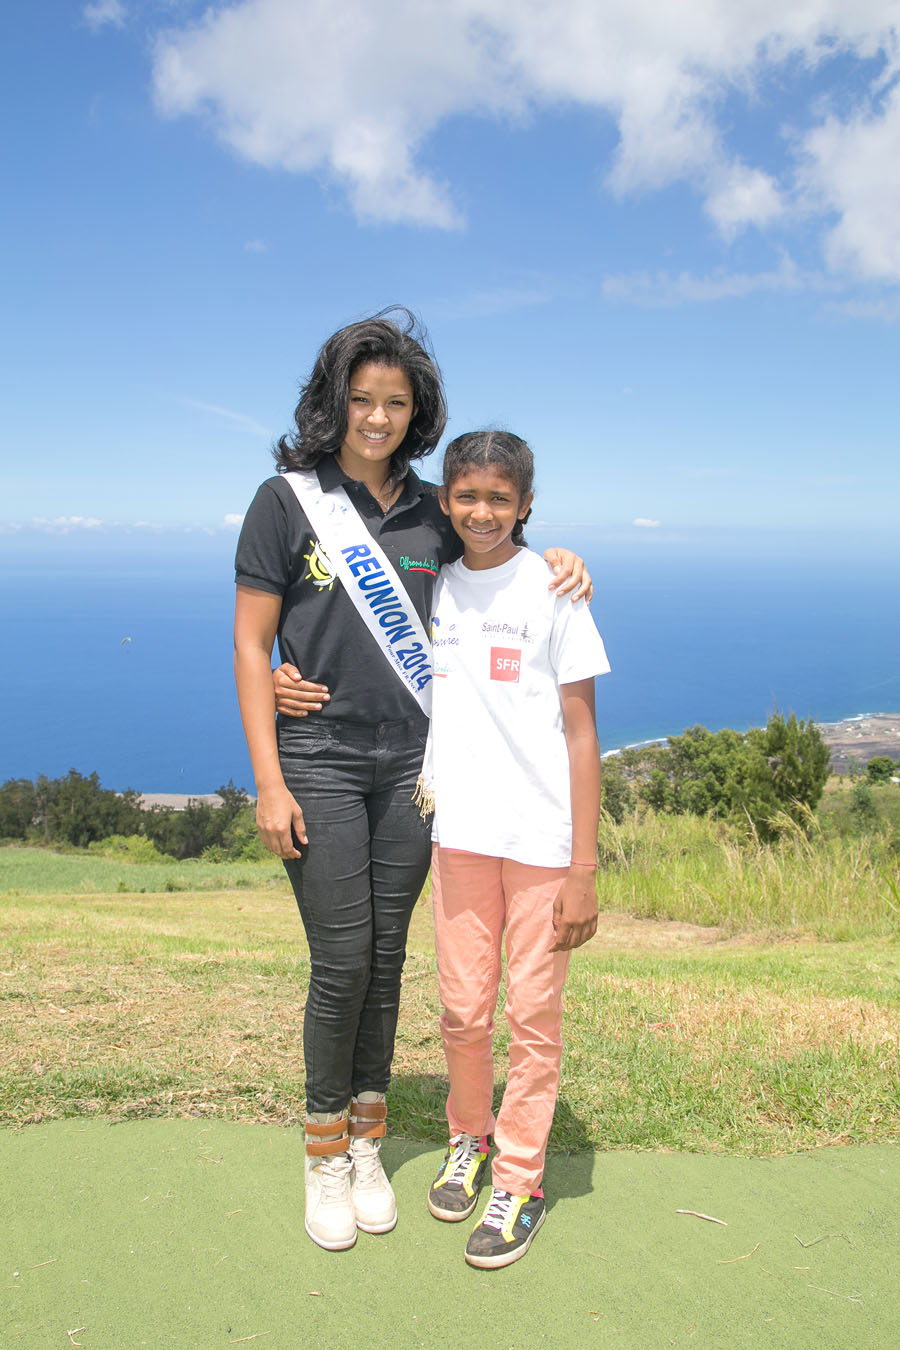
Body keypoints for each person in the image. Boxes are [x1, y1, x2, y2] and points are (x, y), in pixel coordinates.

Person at [233, 310, 591, 1252]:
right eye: (361, 399)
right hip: (319, 759)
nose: (377, 417)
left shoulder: (436, 508)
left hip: (418, 774)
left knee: (388, 962)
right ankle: (324, 1156)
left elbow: (500, 561)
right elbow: (249, 640)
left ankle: (368, 1143)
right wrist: (269, 775)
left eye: (395, 401)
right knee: (342, 959)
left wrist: (566, 560)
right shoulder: (285, 501)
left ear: (417, 408)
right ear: (334, 402)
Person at [422, 429, 609, 1269]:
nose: (483, 512)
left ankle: (522, 1178)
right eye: (468, 496)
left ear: (526, 504)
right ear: (444, 500)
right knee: (463, 1009)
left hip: (540, 843)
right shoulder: (429, 585)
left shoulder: (556, 590)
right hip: (458, 833)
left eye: (500, 498)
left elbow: (580, 733)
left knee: (533, 1017)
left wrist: (585, 868)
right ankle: (471, 1136)